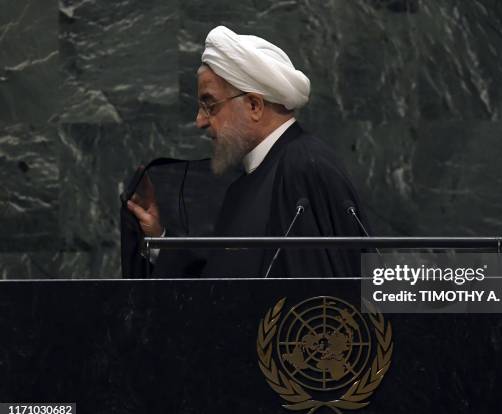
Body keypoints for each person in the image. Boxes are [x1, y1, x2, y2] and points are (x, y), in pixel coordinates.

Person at [127, 26, 368, 278]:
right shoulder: (249, 182)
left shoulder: (304, 166)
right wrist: (159, 240)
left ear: (254, 105)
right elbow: (224, 286)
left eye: (209, 105)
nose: (200, 120)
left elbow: (327, 296)